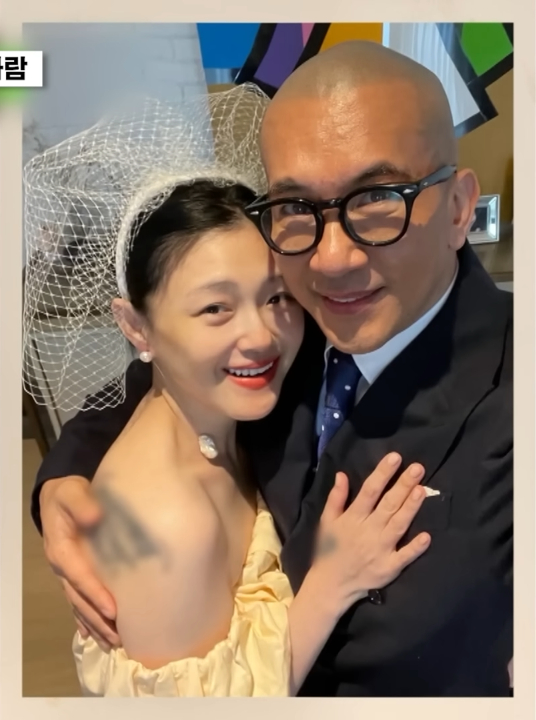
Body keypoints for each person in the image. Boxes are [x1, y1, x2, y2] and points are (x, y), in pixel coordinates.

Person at [30, 41, 513, 696]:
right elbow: (154, 377)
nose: (331, 259)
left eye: (377, 197)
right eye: (296, 206)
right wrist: (61, 482)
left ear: (458, 208)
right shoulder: (293, 325)